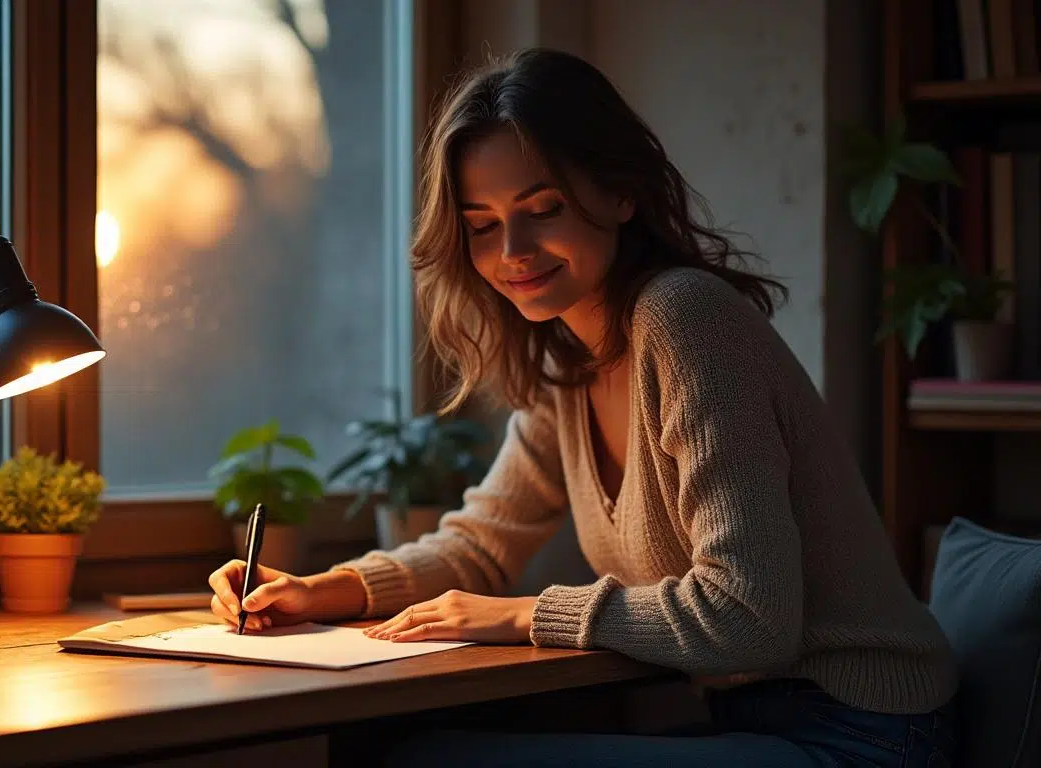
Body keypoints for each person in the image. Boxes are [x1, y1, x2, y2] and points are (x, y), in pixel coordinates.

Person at [206, 47, 959, 766]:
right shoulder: (568, 361)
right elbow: (479, 543)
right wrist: (319, 591)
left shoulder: (684, 318)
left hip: (863, 735)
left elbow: (748, 618)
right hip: (756, 721)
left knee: (419, 758)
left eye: (545, 207)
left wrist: (525, 613)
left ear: (621, 191)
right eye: (482, 225)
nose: (514, 250)